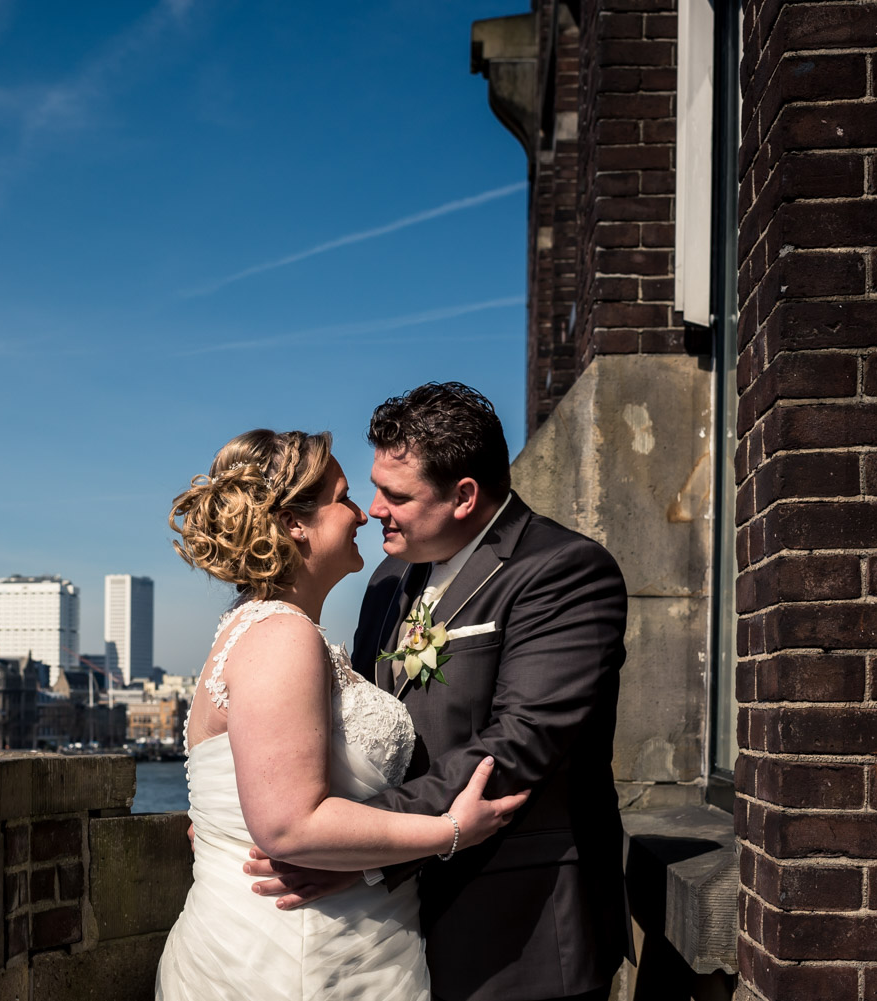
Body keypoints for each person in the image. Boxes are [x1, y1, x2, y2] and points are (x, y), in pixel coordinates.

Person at [245, 384, 632, 1001]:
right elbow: (354, 726)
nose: (374, 509)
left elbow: (516, 748)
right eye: (374, 488)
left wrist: (354, 848)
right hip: (390, 934)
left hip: (517, 930)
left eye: (396, 495)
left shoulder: (565, 571)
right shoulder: (388, 577)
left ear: (465, 496)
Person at [155, 428, 529, 1001]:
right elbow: (287, 825)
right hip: (298, 953)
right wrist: (450, 831)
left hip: (320, 935)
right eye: (343, 497)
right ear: (293, 524)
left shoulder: (257, 625)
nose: (362, 514)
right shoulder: (281, 635)